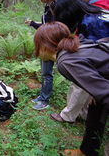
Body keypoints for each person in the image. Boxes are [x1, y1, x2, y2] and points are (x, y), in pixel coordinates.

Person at [34, 21, 109, 156]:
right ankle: (87, 151)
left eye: (38, 44)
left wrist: (100, 92)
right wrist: (96, 91)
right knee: (95, 110)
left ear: (45, 45)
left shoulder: (66, 61)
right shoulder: (77, 46)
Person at [50, 0, 109, 123]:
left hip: (99, 61)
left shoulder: (90, 22)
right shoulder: (93, 11)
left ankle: (69, 116)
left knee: (79, 82)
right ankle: (84, 113)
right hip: (100, 60)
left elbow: (90, 54)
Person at [24, 0, 55, 110]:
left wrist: (33, 24)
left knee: (47, 73)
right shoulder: (49, 6)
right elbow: (45, 24)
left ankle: (45, 100)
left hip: (50, 44)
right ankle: (42, 96)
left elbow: (48, 28)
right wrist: (33, 23)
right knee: (44, 73)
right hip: (45, 44)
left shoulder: (54, 7)